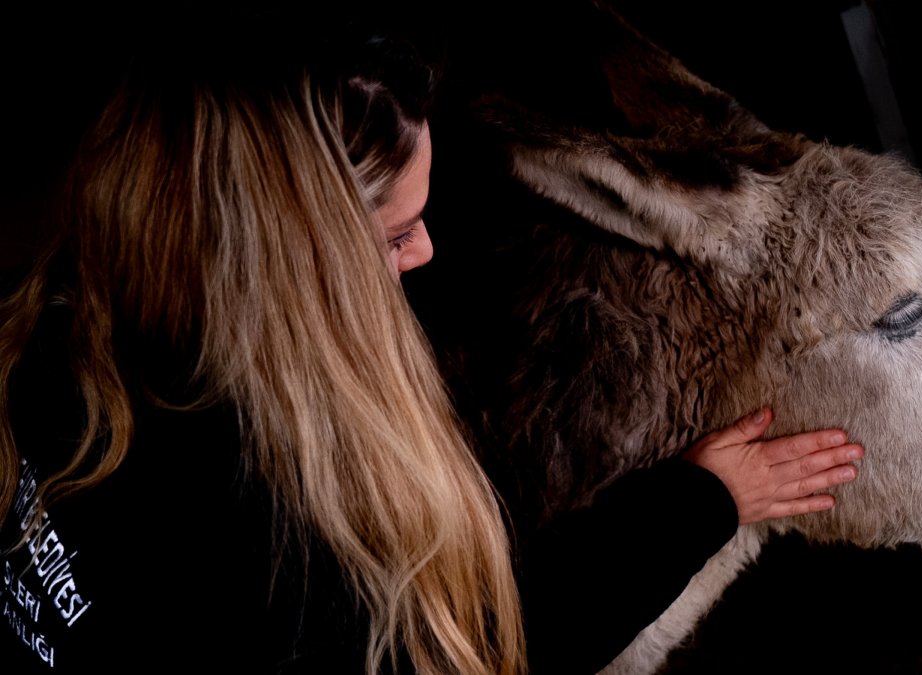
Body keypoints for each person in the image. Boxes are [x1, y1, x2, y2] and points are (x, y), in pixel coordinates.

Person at [0, 9, 863, 675]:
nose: (425, 251)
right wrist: (701, 503)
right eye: (390, 236)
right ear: (288, 260)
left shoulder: (57, 330)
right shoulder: (269, 536)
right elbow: (482, 650)